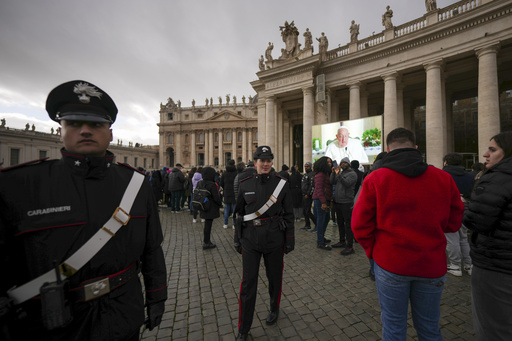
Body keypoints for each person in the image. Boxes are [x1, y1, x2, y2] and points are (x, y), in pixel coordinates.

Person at [0, 80, 167, 341]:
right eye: (75, 123)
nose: (85, 131)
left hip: (122, 314)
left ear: (110, 133)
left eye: (96, 124)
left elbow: (152, 248)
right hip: (49, 323)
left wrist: (157, 296)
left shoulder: (135, 184)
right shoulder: (18, 186)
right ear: (60, 131)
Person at [352, 128, 465, 340]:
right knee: (430, 327)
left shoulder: (376, 178)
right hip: (431, 263)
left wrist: (373, 252)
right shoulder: (443, 178)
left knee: (394, 326)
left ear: (387, 149)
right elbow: (454, 222)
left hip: (391, 262)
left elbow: (359, 225)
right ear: (415, 148)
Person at [234, 146, 294, 341]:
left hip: (274, 237)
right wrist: (238, 239)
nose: (266, 164)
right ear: (255, 162)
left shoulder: (282, 184)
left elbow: (289, 214)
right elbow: (239, 214)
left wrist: (290, 239)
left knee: (274, 278)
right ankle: (244, 328)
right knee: (248, 284)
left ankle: (274, 308)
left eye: (269, 160)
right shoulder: (244, 183)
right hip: (251, 238)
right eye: (262, 160)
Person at [463, 131, 512, 341]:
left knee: (493, 327)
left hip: (496, 263)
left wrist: (465, 207)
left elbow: (477, 222)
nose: (485, 154)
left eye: (492, 150)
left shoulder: (498, 178)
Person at [442, 152, 475, 276]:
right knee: (463, 238)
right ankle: (468, 264)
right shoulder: (469, 176)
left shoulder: (444, 175)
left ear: (446, 162)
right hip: (465, 207)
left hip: (450, 209)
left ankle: (455, 265)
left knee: (451, 238)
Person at [330, 157, 357, 255]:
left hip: (347, 202)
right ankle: (342, 241)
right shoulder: (340, 173)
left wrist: (338, 175)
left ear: (349, 164)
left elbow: (347, 183)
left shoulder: (352, 174)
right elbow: (332, 181)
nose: (343, 164)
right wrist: (333, 173)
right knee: (340, 223)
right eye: (341, 163)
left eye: (345, 163)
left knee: (348, 224)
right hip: (338, 202)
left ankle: (350, 246)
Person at [312, 156, 333, 250]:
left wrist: (330, 200)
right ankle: (320, 241)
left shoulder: (326, 174)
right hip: (320, 200)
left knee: (326, 218)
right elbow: (319, 190)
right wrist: (323, 202)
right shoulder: (320, 175)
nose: (330, 164)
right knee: (321, 220)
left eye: (330, 162)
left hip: (325, 200)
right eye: (328, 162)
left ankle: (321, 237)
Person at [199, 166, 222, 250]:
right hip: (210, 207)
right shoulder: (211, 184)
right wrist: (220, 204)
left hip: (203, 205)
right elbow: (216, 197)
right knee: (208, 225)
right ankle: (206, 242)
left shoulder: (200, 183)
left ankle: (206, 241)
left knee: (207, 225)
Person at [220, 160, 237, 229]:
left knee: (227, 207)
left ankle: (225, 224)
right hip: (234, 192)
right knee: (235, 208)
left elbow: (221, 183)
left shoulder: (224, 173)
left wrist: (225, 188)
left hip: (227, 192)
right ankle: (234, 224)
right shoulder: (236, 173)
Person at [300, 161, 317, 231]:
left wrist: (308, 194)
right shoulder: (305, 175)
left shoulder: (311, 175)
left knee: (308, 211)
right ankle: (307, 225)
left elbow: (312, 185)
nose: (306, 168)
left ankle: (316, 224)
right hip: (303, 194)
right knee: (304, 211)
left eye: (307, 166)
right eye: (305, 166)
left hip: (308, 195)